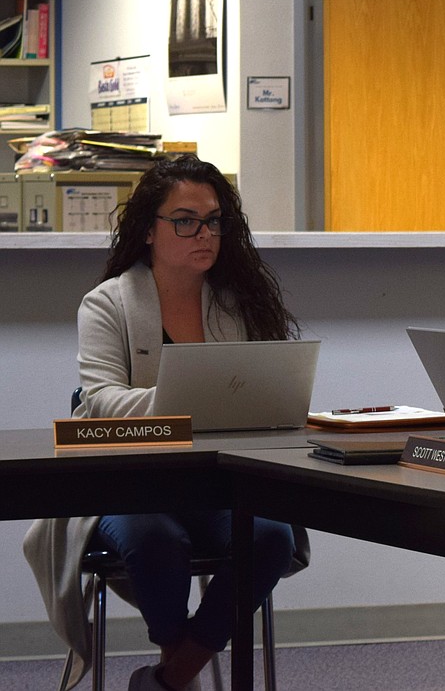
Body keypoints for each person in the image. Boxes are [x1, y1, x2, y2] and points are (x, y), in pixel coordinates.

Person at [23, 155, 309, 691]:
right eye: (185, 220)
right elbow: (103, 401)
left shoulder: (234, 304)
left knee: (271, 535)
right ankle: (179, 670)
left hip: (209, 484)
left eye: (215, 220)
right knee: (156, 536)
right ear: (149, 231)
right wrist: (189, 397)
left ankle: (172, 677)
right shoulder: (106, 303)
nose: (204, 233)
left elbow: (255, 395)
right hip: (121, 482)